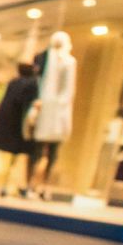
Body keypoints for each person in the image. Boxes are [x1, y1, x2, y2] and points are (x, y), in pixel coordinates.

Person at [27, 30, 77, 201]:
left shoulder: (69, 62)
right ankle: (30, 184)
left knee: (52, 153)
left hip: (58, 112)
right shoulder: (44, 60)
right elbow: (38, 83)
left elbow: (68, 89)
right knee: (37, 150)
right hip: (44, 109)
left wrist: (59, 106)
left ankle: (45, 185)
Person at [0, 61, 37, 197]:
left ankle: (6, 185)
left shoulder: (13, 83)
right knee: (17, 159)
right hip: (20, 129)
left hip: (8, 128)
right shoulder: (31, 85)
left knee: (8, 159)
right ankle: (14, 186)